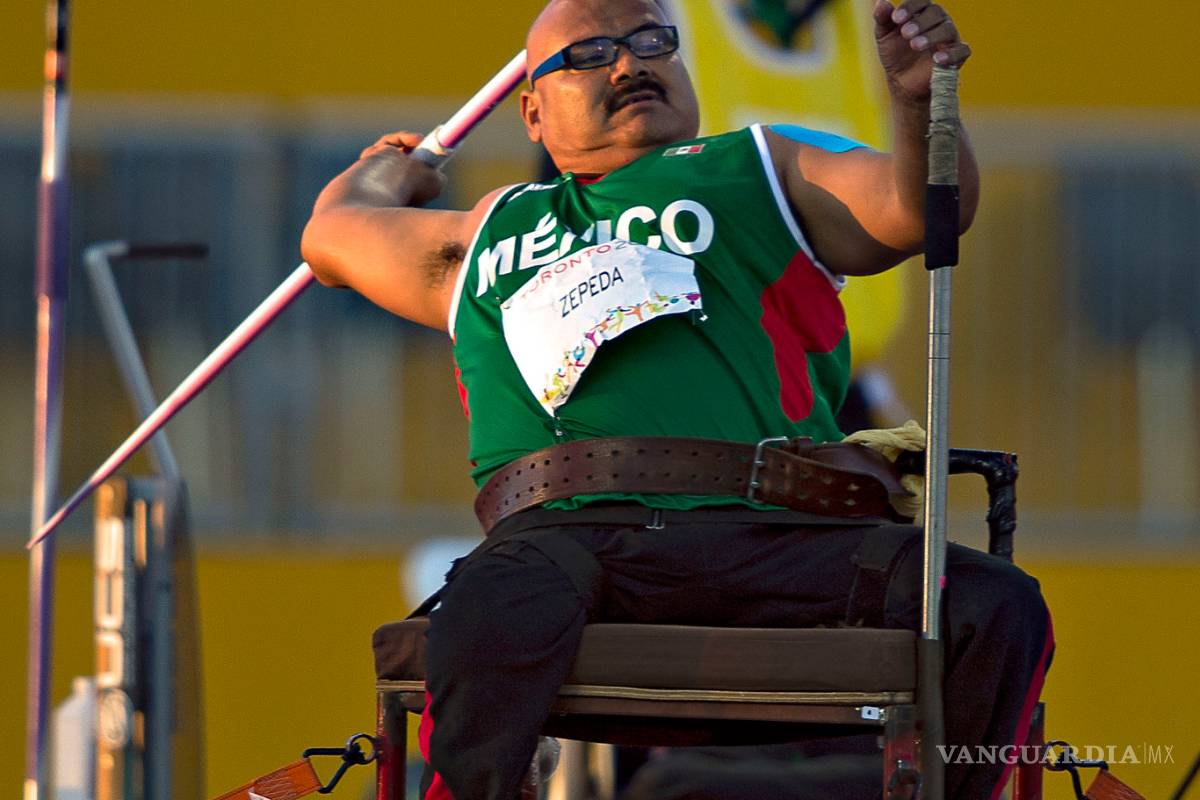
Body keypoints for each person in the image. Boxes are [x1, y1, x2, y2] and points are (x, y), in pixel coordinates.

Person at [301, 1, 1054, 798]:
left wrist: (918, 101)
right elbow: (333, 234)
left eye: (651, 41)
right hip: (567, 538)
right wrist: (392, 168)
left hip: (775, 531)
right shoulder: (483, 236)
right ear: (532, 112)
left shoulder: (764, 166)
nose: (629, 64)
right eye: (588, 55)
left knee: (992, 606)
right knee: (485, 618)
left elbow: (923, 210)